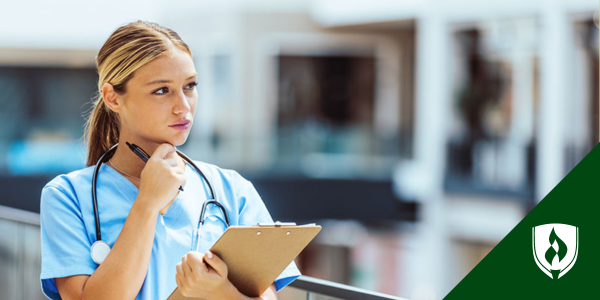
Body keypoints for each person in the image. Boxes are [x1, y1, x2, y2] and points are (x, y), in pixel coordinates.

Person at [39, 20, 300, 300]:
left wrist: (221, 292)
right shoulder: (66, 197)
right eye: (161, 90)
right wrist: (147, 204)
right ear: (112, 98)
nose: (183, 106)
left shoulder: (232, 190)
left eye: (189, 86)